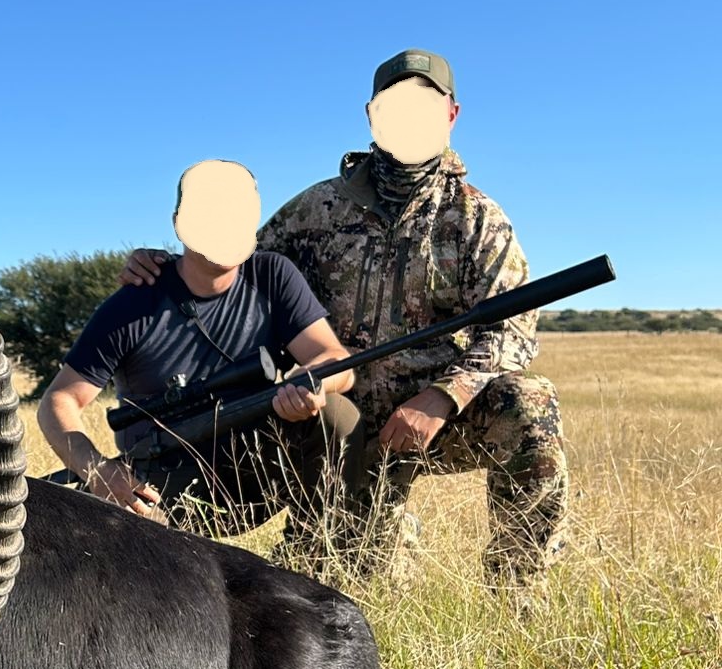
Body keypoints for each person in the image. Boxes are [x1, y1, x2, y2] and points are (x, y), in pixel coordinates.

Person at [121, 50, 566, 587]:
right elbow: (236, 271)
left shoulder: (477, 219)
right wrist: (165, 267)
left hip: (435, 420)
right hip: (331, 419)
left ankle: (518, 592)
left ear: (452, 115)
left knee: (529, 401)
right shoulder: (314, 209)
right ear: (371, 115)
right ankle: (359, 533)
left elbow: (512, 328)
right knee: (351, 582)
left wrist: (444, 396)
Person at [37, 160, 361, 543]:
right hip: (160, 488)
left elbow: (336, 362)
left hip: (253, 474)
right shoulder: (133, 303)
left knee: (337, 415)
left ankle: (316, 554)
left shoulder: (272, 275)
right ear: (179, 224)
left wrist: (310, 383)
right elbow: (58, 400)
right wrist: (98, 472)